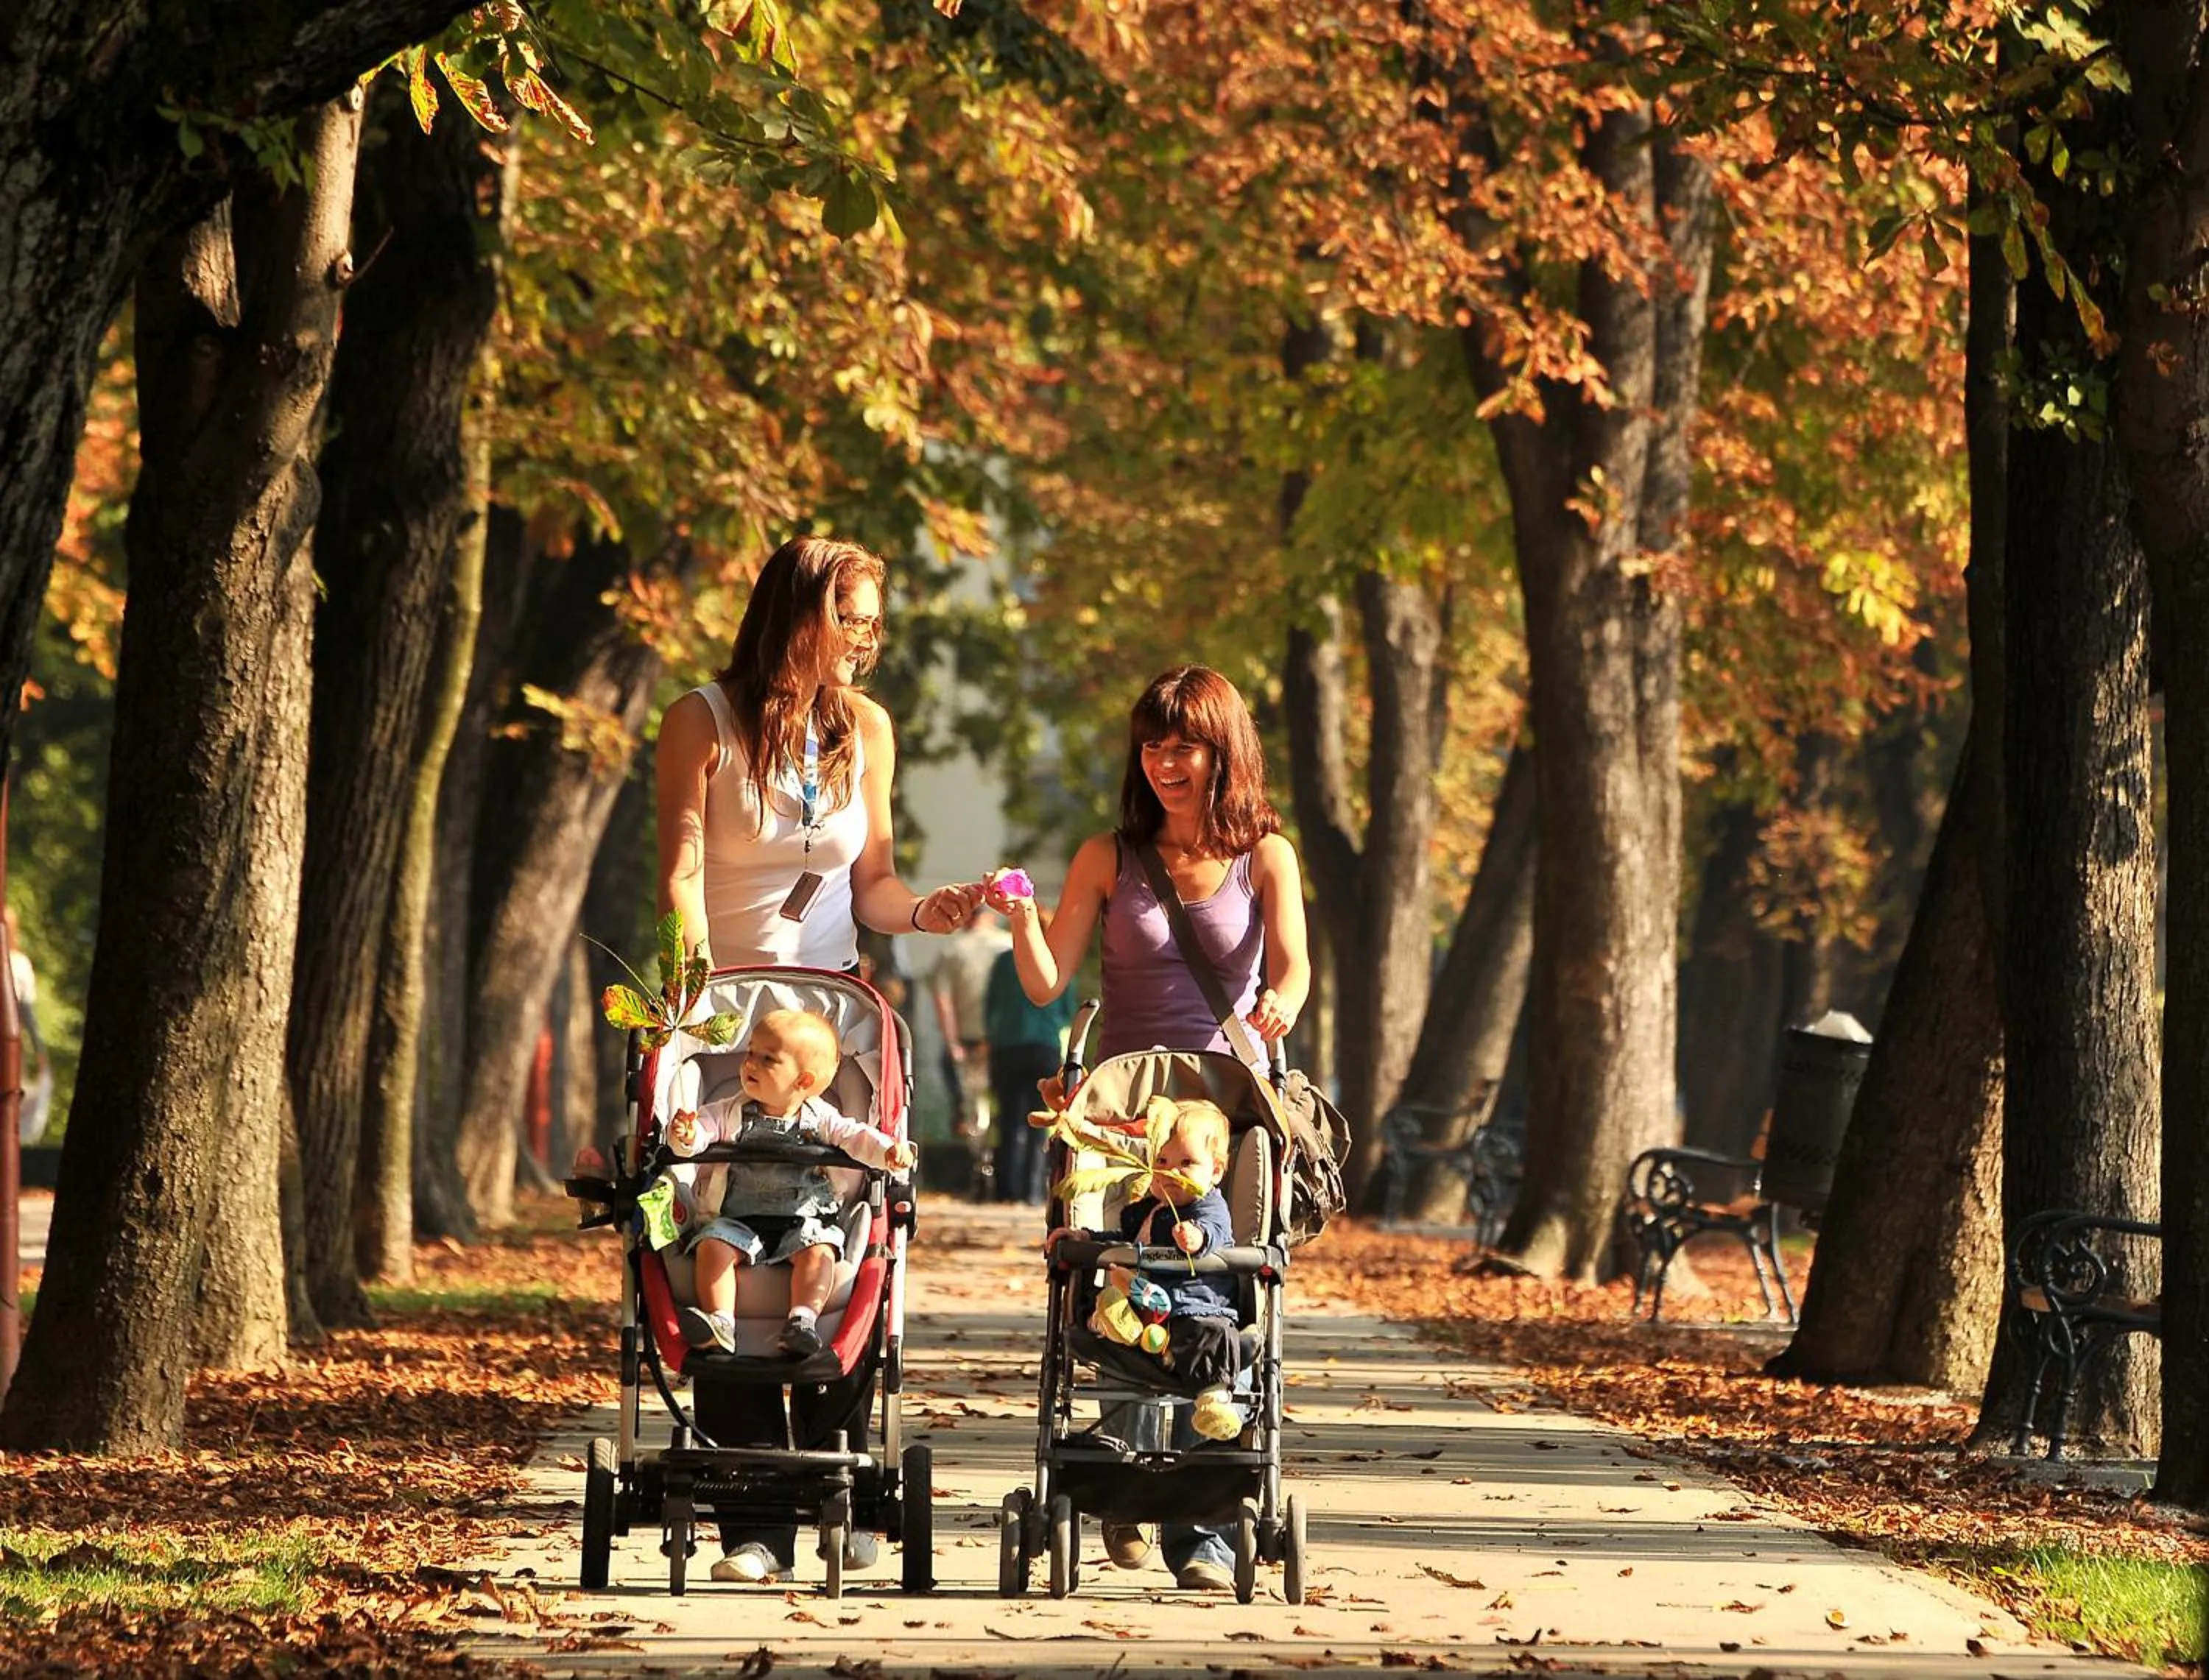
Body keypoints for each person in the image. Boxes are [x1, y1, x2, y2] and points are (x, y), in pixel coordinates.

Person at [654, 534, 982, 1586]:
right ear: (796, 614)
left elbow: (873, 884)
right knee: (716, 1229)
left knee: (846, 1223)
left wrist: (930, 910)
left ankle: (835, 1473)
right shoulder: (700, 720)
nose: (863, 640)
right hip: (728, 1020)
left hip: (829, 1025)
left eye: (873, 623)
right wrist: (691, 991)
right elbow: (682, 875)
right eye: (850, 617)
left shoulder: (866, 729)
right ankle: (753, 1519)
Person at [984, 663, 1310, 1592]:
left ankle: (1205, 1527)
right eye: (1153, 745)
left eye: (1186, 746)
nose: (1166, 762)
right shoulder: (1109, 855)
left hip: (1218, 1116)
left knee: (1217, 1286)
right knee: (1121, 1276)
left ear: (1224, 751)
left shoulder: (1266, 855)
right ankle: (1126, 1479)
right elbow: (1047, 980)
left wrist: (1281, 1004)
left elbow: (1293, 966)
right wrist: (1020, 914)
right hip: (1122, 1115)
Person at [674, 1008, 916, 1363]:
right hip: (737, 1221)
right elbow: (701, 1133)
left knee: (821, 1253)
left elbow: (855, 1137)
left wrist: (887, 1151)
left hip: (804, 1221)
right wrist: (687, 1134)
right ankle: (720, 1323)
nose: (750, 1063)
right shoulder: (729, 1111)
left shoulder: (822, 1118)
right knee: (712, 1246)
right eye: (750, 1052)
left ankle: (802, 1321)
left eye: (767, 1059)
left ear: (803, 1081)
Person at [1049, 1097, 1245, 1441]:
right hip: (1143, 1312)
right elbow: (1124, 1239)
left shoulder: (1209, 1207)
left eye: (1187, 1163)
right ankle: (1125, 1437)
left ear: (1215, 1171)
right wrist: (1087, 1237)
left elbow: (1216, 1232)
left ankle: (1211, 1404)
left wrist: (1197, 1238)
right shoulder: (1147, 1209)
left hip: (1192, 1309)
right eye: (1162, 1161)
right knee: (1110, 1334)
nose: (1171, 1172)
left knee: (1212, 1336)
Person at [981, 943, 1077, 1204]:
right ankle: (1034, 1189)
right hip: (1045, 1045)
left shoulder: (1004, 961)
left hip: (1007, 1044)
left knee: (1009, 1119)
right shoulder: (1059, 958)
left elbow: (990, 1003)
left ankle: (1006, 1191)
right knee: (1041, 1120)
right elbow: (1068, 1011)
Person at [926, 903, 1010, 1157]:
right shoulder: (1009, 946)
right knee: (1003, 1106)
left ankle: (971, 1145)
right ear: (991, 918)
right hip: (1003, 1041)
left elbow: (943, 1001)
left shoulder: (952, 951)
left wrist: (952, 1043)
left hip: (967, 1040)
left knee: (968, 1103)